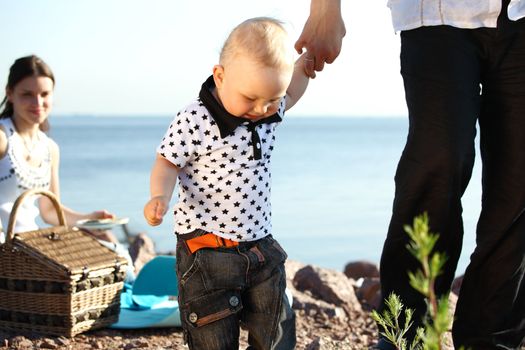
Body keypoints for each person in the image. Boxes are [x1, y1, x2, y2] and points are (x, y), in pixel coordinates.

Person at [297, 0, 525, 349]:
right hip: (435, 17)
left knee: (518, 186)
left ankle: (492, 341)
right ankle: (404, 335)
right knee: (438, 162)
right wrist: (324, 10)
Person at [143, 17, 310, 350]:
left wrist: (307, 61)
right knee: (212, 334)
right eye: (251, 98)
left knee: (275, 326)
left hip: (260, 246)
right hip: (207, 252)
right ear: (220, 76)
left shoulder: (269, 110)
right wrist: (158, 195)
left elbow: (292, 89)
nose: (261, 109)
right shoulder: (195, 118)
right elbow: (167, 160)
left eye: (270, 99)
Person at [0, 55, 135, 282]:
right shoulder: (3, 138)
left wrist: (90, 219)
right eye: (27, 94)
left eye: (44, 95)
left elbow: (50, 211)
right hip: (7, 251)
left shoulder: (49, 148)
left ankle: (132, 292)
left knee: (109, 243)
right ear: (10, 93)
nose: (38, 103)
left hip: (32, 246)